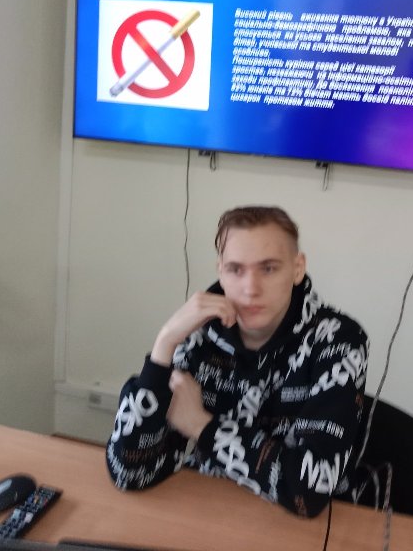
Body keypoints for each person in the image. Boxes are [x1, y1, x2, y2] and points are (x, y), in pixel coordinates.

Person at [106, 205, 369, 518]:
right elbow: (130, 473)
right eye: (235, 269)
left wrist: (201, 426)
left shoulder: (339, 340)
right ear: (220, 271)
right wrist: (163, 347)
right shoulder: (199, 332)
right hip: (209, 506)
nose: (250, 289)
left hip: (298, 526)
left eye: (268, 269)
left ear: (297, 268)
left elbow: (307, 493)